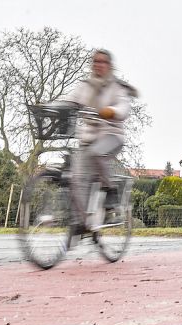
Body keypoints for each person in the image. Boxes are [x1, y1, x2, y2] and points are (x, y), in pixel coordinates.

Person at [55, 49, 137, 228]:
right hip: (88, 138)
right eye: (95, 61)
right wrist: (51, 107)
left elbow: (123, 107)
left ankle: (111, 193)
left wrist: (111, 111)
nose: (98, 65)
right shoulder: (85, 86)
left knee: (96, 154)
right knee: (77, 180)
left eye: (103, 62)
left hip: (111, 135)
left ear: (109, 66)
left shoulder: (117, 87)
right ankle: (82, 223)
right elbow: (69, 101)